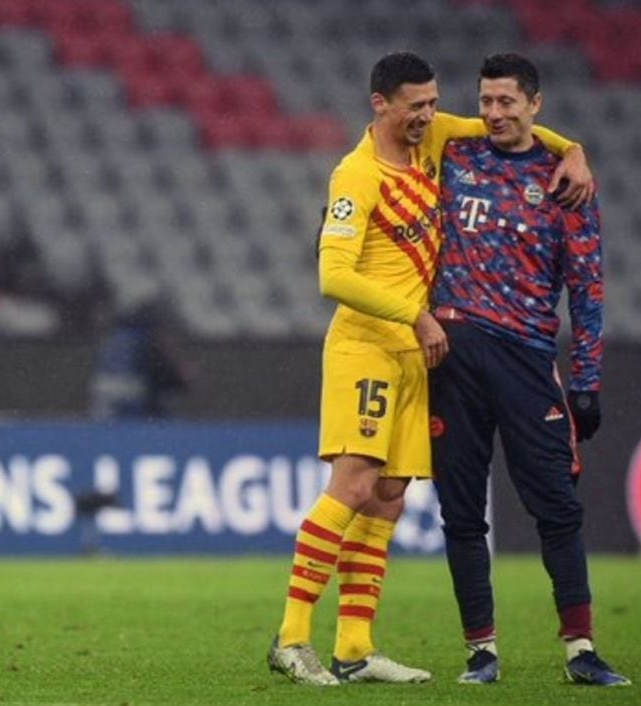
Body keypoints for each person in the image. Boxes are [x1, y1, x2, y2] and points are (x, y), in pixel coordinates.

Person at [267, 51, 593, 687]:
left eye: (432, 103)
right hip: (367, 347)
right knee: (355, 486)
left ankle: (356, 648)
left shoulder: (433, 137)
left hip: (416, 355)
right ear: (379, 105)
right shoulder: (355, 176)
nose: (428, 116)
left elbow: (513, 130)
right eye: (414, 106)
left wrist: (573, 149)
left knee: (389, 499)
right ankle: (291, 637)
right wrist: (414, 316)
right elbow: (333, 274)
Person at [430, 53, 630, 686]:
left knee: (557, 508)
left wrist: (587, 381)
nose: (492, 113)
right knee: (461, 511)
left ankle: (580, 649)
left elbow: (588, 288)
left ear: (533, 105)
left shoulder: (565, 182)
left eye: (506, 102)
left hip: (526, 357)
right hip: (454, 356)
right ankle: (480, 653)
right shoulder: (454, 156)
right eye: (485, 101)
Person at [89, 296, 190, 420]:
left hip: (103, 397)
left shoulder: (114, 338)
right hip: (132, 399)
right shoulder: (143, 341)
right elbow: (159, 373)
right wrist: (180, 379)